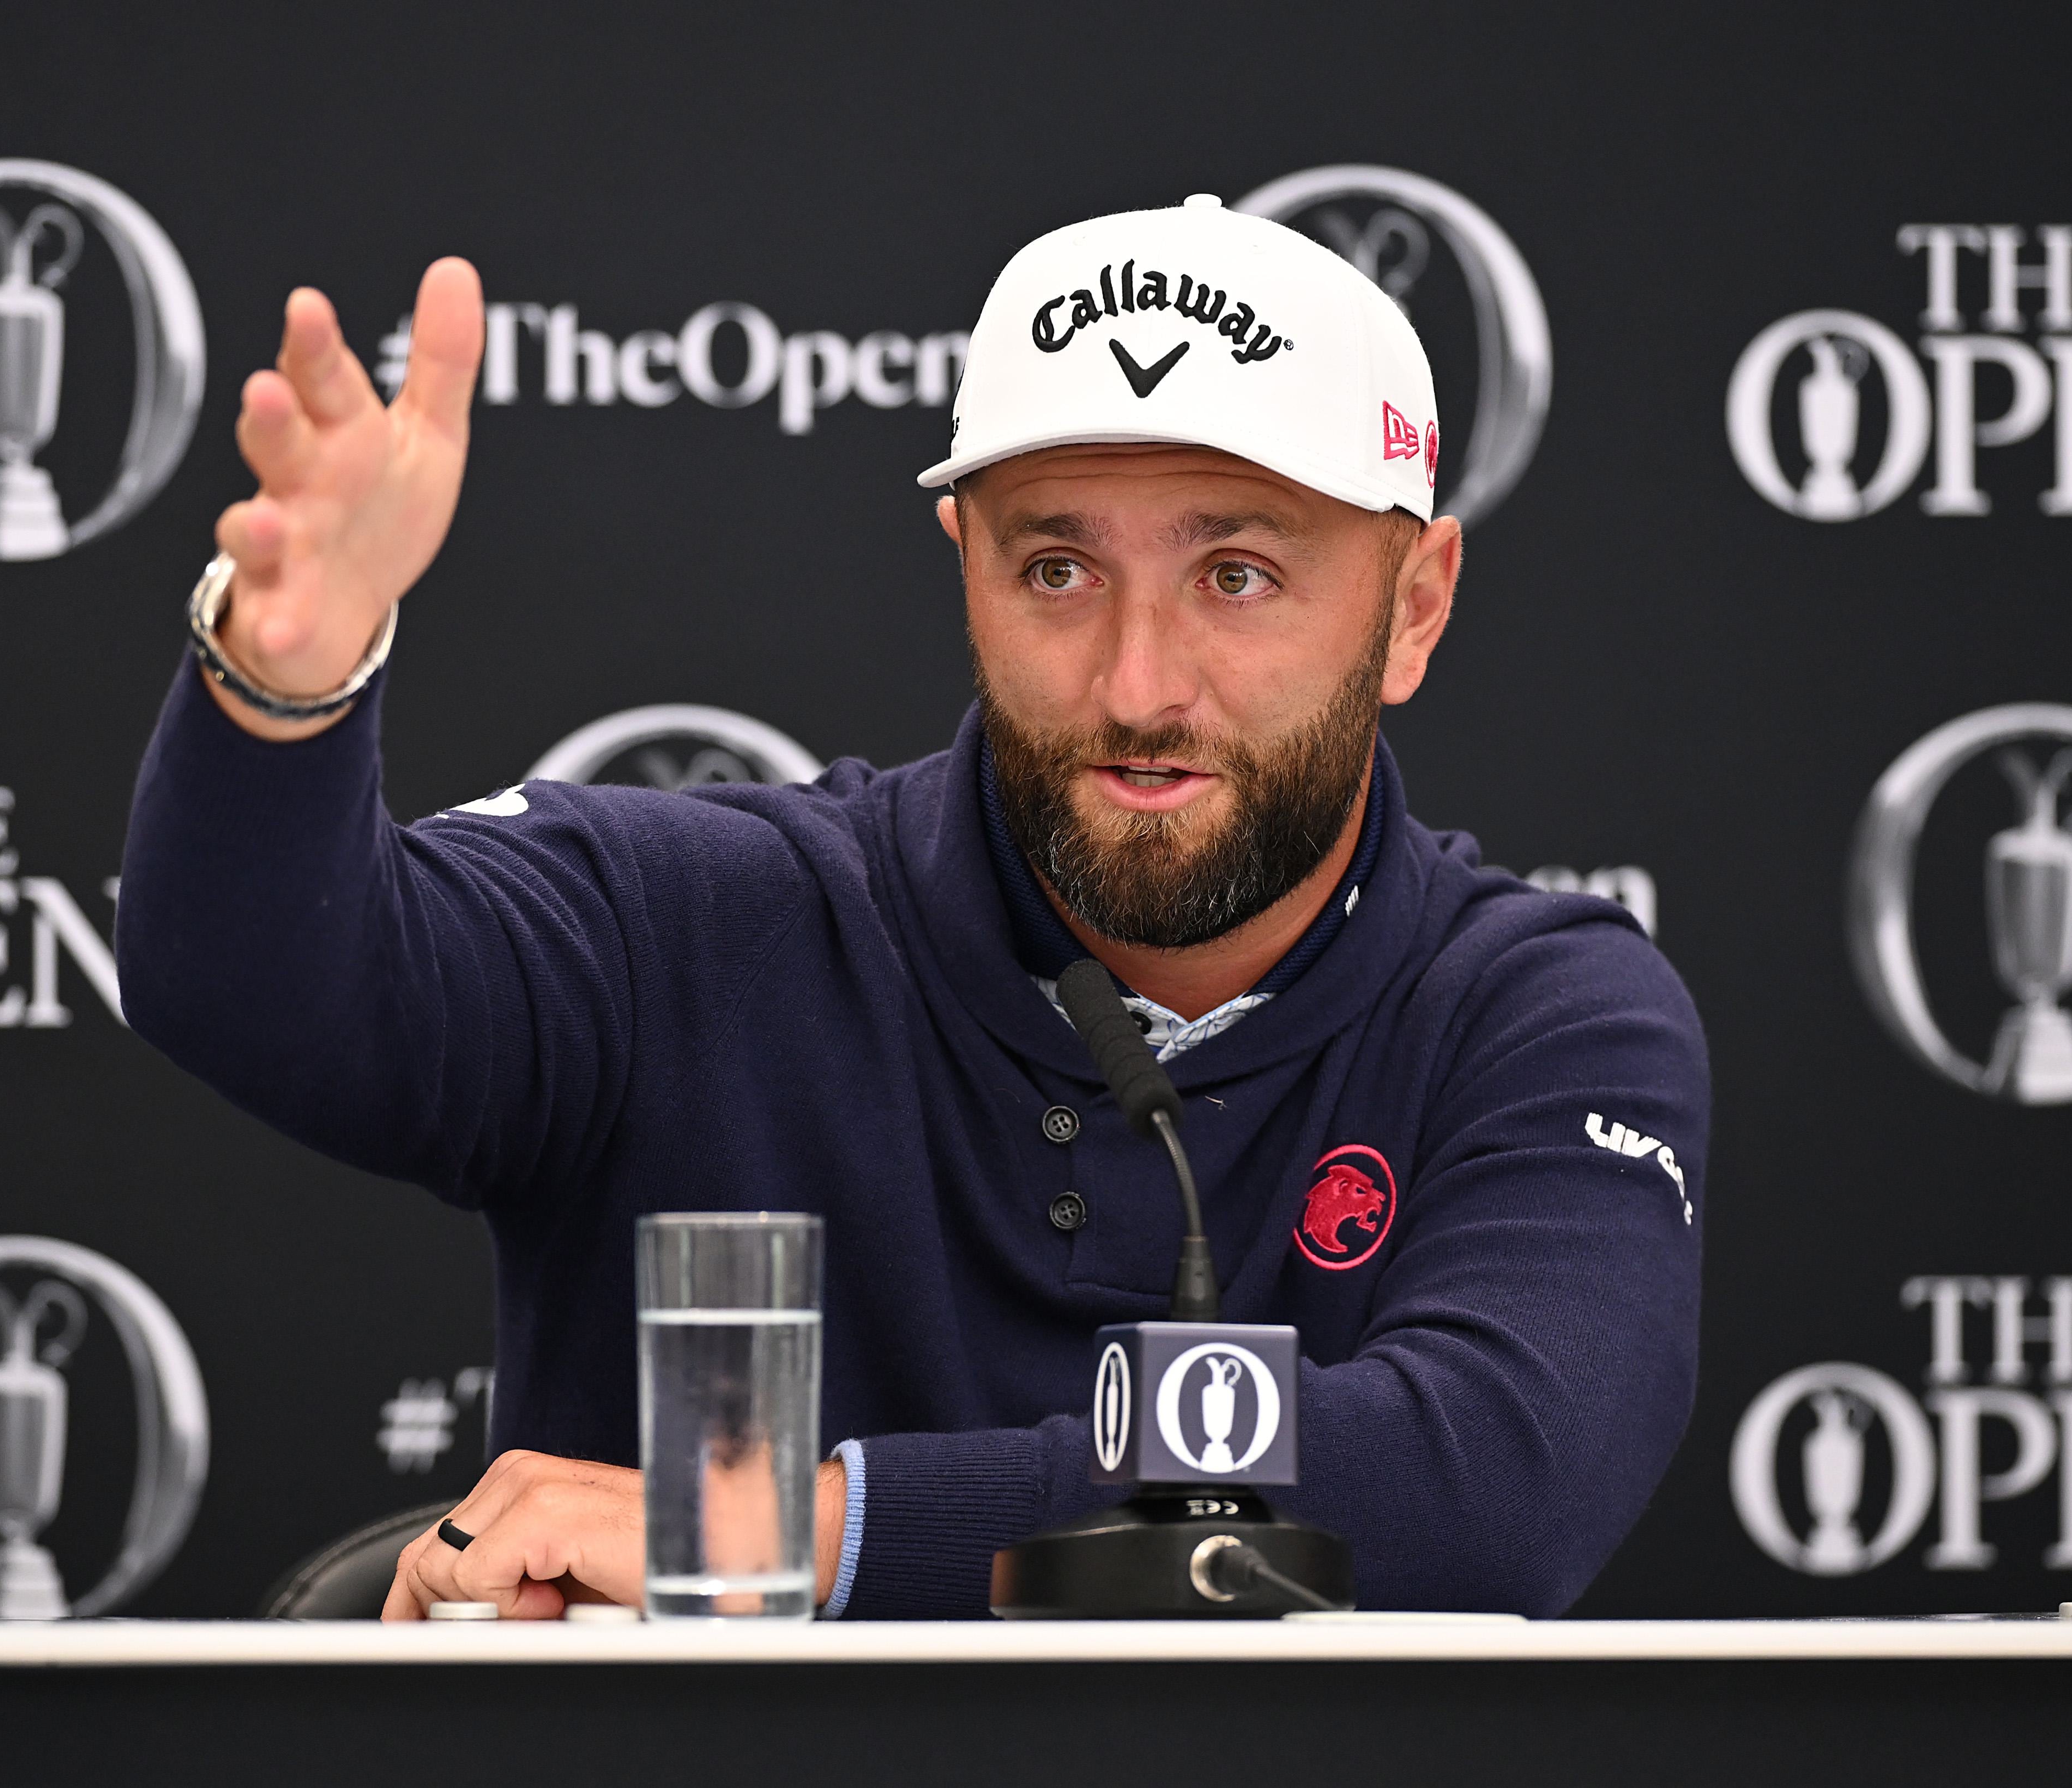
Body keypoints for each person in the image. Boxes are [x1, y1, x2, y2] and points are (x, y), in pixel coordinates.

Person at [116, 195, 1708, 1621]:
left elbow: (1495, 1476)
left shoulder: (1540, 1012)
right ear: (965, 565)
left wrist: (775, 1528)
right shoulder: (695, 920)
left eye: (1236, 572)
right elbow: (249, 982)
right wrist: (285, 687)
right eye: (1057, 572)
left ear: (1411, 603)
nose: (1137, 684)